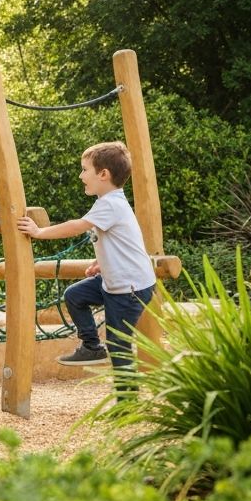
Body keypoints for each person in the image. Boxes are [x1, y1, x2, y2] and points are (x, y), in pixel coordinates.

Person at [17, 140, 156, 395]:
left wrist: (39, 232)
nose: (81, 176)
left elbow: (76, 226)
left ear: (103, 174)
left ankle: (127, 400)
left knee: (119, 345)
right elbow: (118, 241)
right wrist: (100, 263)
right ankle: (91, 346)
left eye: (84, 170)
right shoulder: (109, 201)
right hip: (115, 282)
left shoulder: (111, 203)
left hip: (129, 289)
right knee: (75, 295)